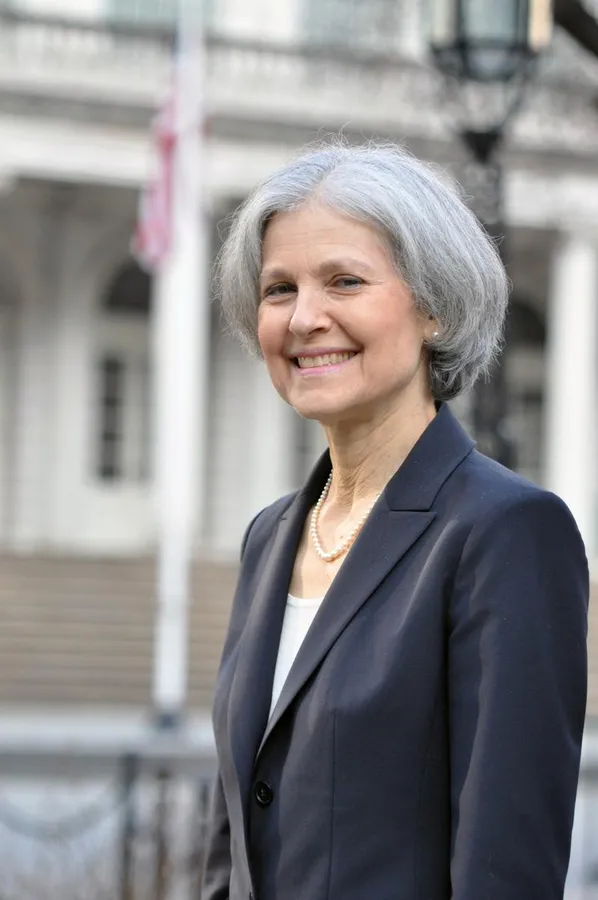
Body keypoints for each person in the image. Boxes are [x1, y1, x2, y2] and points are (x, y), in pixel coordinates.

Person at [201, 140, 589, 900]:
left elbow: (505, 870)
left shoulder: (507, 533)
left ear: (435, 306)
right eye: (279, 289)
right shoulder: (270, 537)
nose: (305, 317)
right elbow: (233, 840)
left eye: (344, 281)